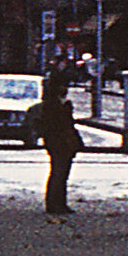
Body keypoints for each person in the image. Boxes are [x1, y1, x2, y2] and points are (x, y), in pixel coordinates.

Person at [34, 68, 83, 223]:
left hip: (60, 142)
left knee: (60, 172)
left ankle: (58, 202)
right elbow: (60, 125)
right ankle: (55, 203)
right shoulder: (54, 105)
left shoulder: (58, 104)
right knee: (59, 172)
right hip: (58, 142)